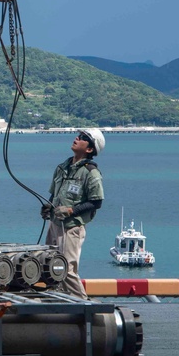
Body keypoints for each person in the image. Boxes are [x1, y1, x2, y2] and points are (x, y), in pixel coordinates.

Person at [41, 128, 105, 300]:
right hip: (54, 224)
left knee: (66, 269)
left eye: (83, 138)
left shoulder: (91, 173)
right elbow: (54, 194)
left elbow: (96, 202)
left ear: (90, 149)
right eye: (78, 135)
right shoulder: (63, 167)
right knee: (49, 265)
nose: (77, 138)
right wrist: (49, 205)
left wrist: (70, 210)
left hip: (71, 228)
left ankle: (85, 305)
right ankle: (57, 299)